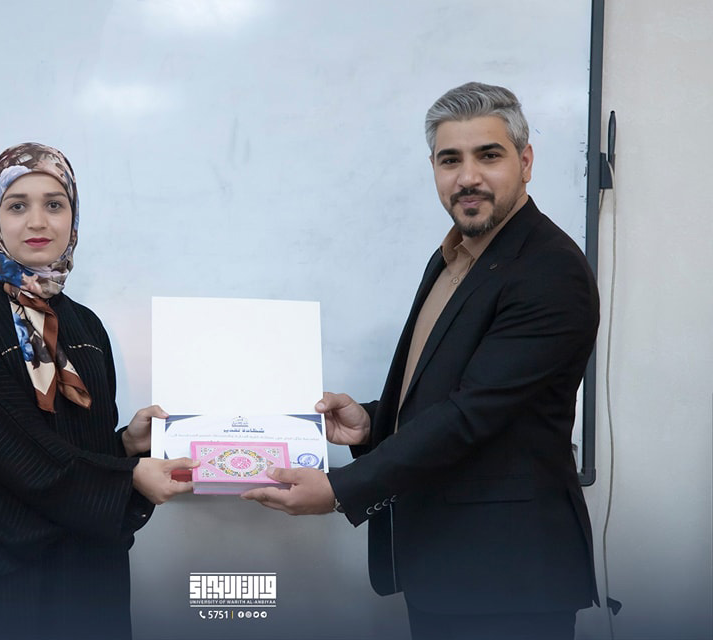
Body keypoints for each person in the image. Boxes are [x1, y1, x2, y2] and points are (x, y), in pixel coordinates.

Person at [243, 83, 599, 639]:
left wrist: (341, 489)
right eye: (450, 159)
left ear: (526, 161)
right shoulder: (456, 254)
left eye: (489, 155)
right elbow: (452, 386)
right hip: (449, 565)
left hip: (509, 576)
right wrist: (372, 422)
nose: (467, 177)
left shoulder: (549, 270)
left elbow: (471, 414)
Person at [0, 142, 197, 640]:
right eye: (17, 205)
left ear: (73, 216)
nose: (37, 222)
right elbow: (14, 453)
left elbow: (71, 448)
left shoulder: (85, 325)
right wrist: (129, 478)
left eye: (54, 204)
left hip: (87, 582)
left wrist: (124, 445)